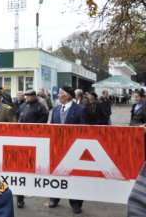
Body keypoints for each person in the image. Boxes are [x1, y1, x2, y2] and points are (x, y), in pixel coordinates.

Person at [49, 86, 87, 214]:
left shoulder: (80, 110)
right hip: (57, 148)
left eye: (60, 94)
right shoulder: (56, 109)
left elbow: (85, 130)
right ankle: (54, 198)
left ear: (67, 96)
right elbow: (51, 128)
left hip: (74, 149)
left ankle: (76, 203)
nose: (58, 96)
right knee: (56, 174)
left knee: (75, 176)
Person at [15, 89, 49, 208]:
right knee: (19, 167)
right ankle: (20, 197)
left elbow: (43, 120)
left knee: (32, 166)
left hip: (34, 140)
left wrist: (33, 130)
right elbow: (18, 117)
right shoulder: (23, 105)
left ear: (34, 96)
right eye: (26, 96)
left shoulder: (40, 107)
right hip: (21, 139)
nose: (27, 98)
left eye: (29, 96)